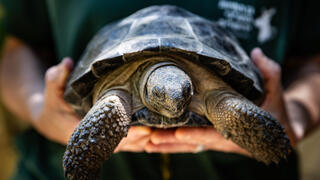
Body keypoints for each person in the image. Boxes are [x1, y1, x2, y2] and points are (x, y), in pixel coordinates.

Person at [1, 0, 320, 179]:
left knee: (234, 109)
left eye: (184, 94)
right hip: (48, 169)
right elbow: (18, 47)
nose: (176, 105)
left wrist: (294, 115)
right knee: (109, 109)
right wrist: (37, 109)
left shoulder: (215, 97)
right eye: (165, 96)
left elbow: (312, 59)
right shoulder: (116, 99)